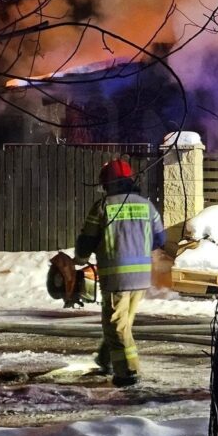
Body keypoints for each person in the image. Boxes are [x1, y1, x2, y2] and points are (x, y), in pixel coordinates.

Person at [75, 159, 166, 388]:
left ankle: (128, 372)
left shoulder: (104, 206)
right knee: (123, 324)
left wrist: (81, 258)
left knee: (116, 327)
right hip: (141, 278)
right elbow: (160, 239)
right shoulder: (147, 206)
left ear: (108, 183)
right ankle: (106, 359)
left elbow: (87, 240)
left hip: (116, 277)